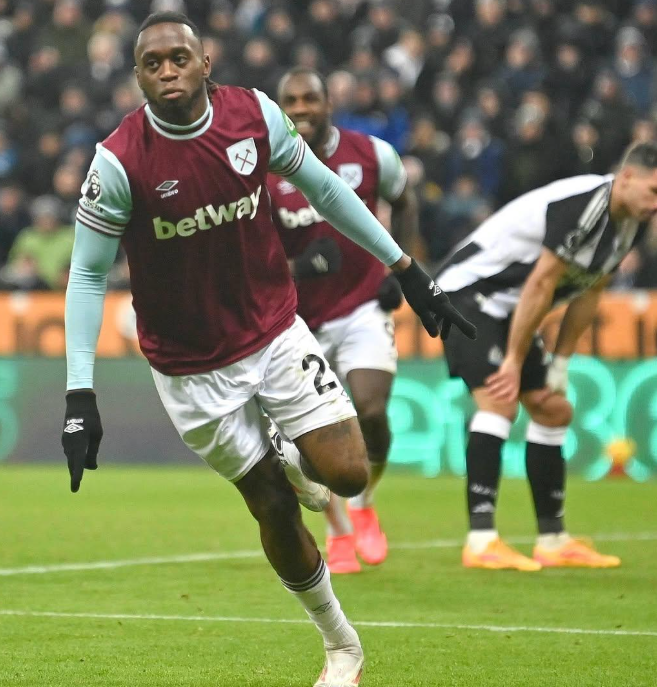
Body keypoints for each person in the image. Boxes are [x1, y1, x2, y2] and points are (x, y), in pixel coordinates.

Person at [60, 12, 474, 687]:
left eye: (179, 58)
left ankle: (290, 448)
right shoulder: (119, 161)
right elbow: (86, 274)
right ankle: (341, 646)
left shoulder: (253, 116)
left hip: (275, 332)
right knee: (272, 505)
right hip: (189, 368)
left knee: (348, 475)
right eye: (152, 64)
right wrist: (80, 395)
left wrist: (405, 267)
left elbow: (327, 189)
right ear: (137, 76)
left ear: (205, 63)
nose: (167, 72)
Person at [436, 141, 657, 571]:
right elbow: (541, 283)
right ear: (627, 178)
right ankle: (481, 540)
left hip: (509, 308)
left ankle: (552, 540)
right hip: (466, 295)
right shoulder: (585, 204)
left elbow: (590, 291)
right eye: (656, 192)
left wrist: (561, 363)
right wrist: (513, 360)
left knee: (553, 409)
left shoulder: (631, 222)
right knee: (499, 400)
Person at [268, 67, 419, 575]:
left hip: (361, 305)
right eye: (291, 100)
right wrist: (298, 268)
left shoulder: (372, 154)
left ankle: (365, 503)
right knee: (309, 439)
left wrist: (402, 269)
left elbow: (405, 202)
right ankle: (338, 532)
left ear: (328, 102)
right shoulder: (264, 171)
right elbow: (248, 251)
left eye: (309, 98)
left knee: (371, 413)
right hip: (295, 322)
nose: (301, 108)